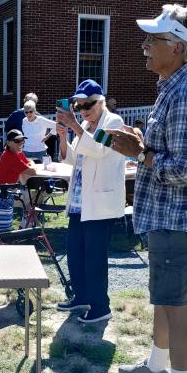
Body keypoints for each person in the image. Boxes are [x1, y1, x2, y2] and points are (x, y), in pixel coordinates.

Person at [110, 4, 187, 373]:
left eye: (152, 39)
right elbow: (174, 149)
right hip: (171, 218)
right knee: (165, 300)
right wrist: (144, 142)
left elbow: (186, 171)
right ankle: (157, 371)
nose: (144, 46)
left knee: (178, 306)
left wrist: (139, 153)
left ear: (176, 47)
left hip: (180, 220)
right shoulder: (175, 83)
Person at [56, 79, 125, 323]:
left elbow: (100, 149)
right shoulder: (84, 124)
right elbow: (74, 159)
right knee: (76, 253)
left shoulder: (114, 122)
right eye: (80, 105)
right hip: (79, 202)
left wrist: (74, 125)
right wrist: (64, 137)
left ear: (102, 102)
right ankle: (81, 296)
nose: (84, 109)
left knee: (94, 257)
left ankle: (100, 306)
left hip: (100, 205)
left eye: (89, 104)